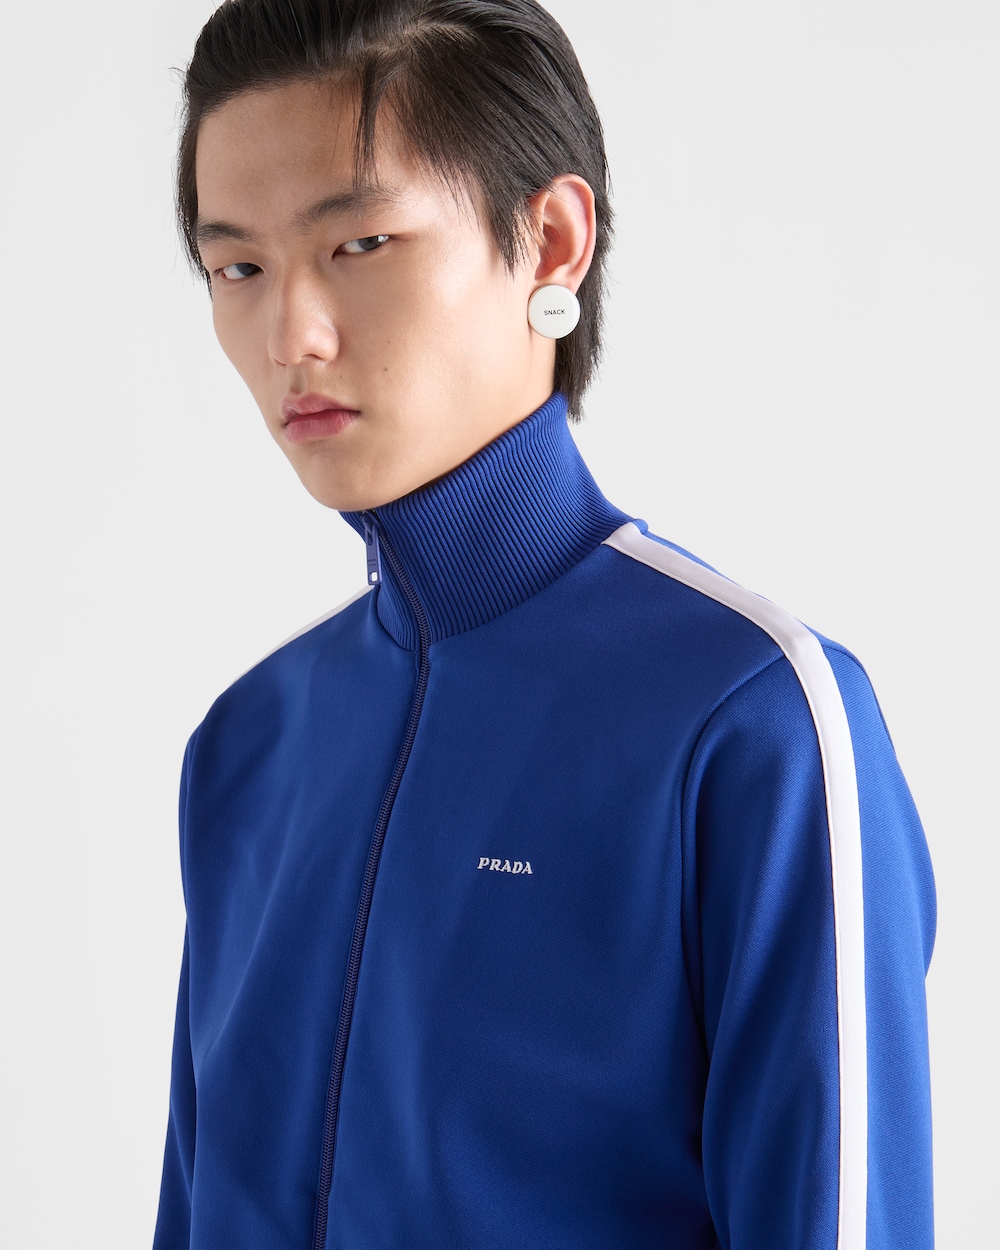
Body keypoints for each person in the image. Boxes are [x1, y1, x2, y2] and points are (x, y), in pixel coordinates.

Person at [154, 1, 936, 1247]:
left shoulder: (754, 719)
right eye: (238, 267)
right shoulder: (248, 746)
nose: (291, 334)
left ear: (552, 242)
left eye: (359, 244)